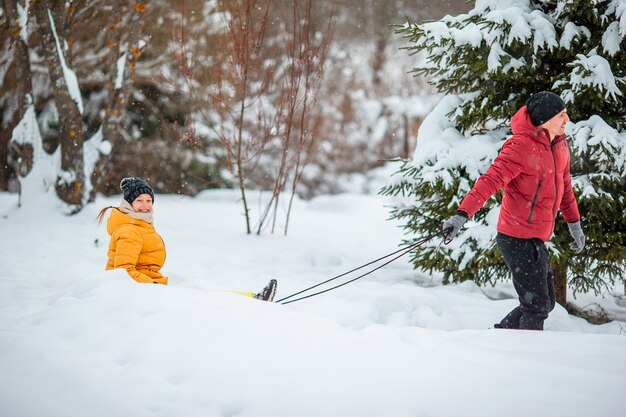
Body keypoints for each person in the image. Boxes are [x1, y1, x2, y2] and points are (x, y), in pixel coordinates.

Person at [442, 91, 585, 330]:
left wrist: (575, 225)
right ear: (545, 119)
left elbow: (566, 188)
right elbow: (490, 181)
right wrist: (461, 215)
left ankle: (503, 335)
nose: (566, 119)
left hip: (537, 238)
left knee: (546, 303)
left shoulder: (559, 145)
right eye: (561, 115)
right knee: (536, 306)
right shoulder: (520, 147)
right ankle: (524, 356)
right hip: (515, 238)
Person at [97, 177, 277, 301]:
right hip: (144, 290)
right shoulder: (130, 230)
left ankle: (251, 298)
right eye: (139, 201)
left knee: (201, 290)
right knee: (201, 296)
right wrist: (154, 285)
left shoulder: (139, 225)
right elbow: (122, 273)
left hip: (150, 283)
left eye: (148, 201)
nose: (145, 206)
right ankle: (253, 300)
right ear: (129, 204)